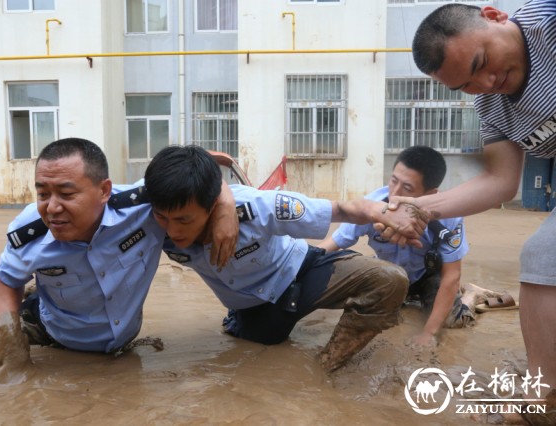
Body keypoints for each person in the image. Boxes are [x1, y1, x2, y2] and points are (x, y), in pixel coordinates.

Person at [391, 0, 556, 416]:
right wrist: (419, 209)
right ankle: (544, 395)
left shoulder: (547, 23)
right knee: (540, 257)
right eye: (465, 85)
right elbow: (500, 181)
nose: (486, 82)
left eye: (482, 62)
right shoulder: (492, 104)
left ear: (495, 15)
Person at [143, 145, 426, 373]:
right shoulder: (149, 214)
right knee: (259, 359)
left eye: (184, 219)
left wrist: (382, 210)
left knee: (389, 280)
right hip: (255, 311)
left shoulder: (259, 207)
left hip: (301, 270)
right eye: (162, 218)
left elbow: (340, 208)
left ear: (212, 204)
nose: (172, 230)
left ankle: (325, 370)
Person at [0, 138, 239, 381]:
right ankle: (34, 307)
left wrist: (225, 207)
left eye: (66, 194)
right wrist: (10, 340)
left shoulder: (143, 207)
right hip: (58, 336)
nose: (52, 208)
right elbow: (6, 280)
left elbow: (199, 172)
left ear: (104, 190)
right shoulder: (28, 234)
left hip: (123, 341)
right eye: (43, 194)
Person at [318, 146, 505, 347]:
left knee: (452, 323)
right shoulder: (372, 206)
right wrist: (296, 268)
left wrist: (428, 333)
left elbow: (451, 276)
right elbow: (332, 245)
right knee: (376, 316)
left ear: (430, 194)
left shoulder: (449, 217)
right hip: (390, 274)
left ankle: (470, 294)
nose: (395, 195)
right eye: (393, 181)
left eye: (407, 188)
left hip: (428, 276)